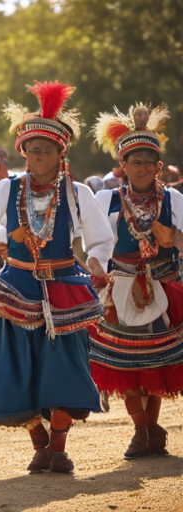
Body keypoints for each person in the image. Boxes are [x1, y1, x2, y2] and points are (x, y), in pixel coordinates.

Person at [0, 81, 114, 473]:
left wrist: (97, 260)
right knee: (18, 367)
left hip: (65, 285)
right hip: (18, 287)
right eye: (33, 150)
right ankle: (40, 445)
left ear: (60, 153)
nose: (39, 155)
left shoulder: (77, 191)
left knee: (64, 368)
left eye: (47, 149)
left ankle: (59, 448)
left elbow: (101, 239)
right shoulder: (8, 190)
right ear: (23, 153)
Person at [90, 103, 183, 459]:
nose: (142, 168)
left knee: (156, 365)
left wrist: (171, 237)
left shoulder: (174, 200)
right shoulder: (106, 199)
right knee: (123, 365)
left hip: (166, 287)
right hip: (121, 287)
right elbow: (94, 245)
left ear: (159, 167)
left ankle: (147, 432)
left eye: (149, 161)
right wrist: (98, 268)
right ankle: (144, 429)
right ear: (123, 167)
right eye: (135, 161)